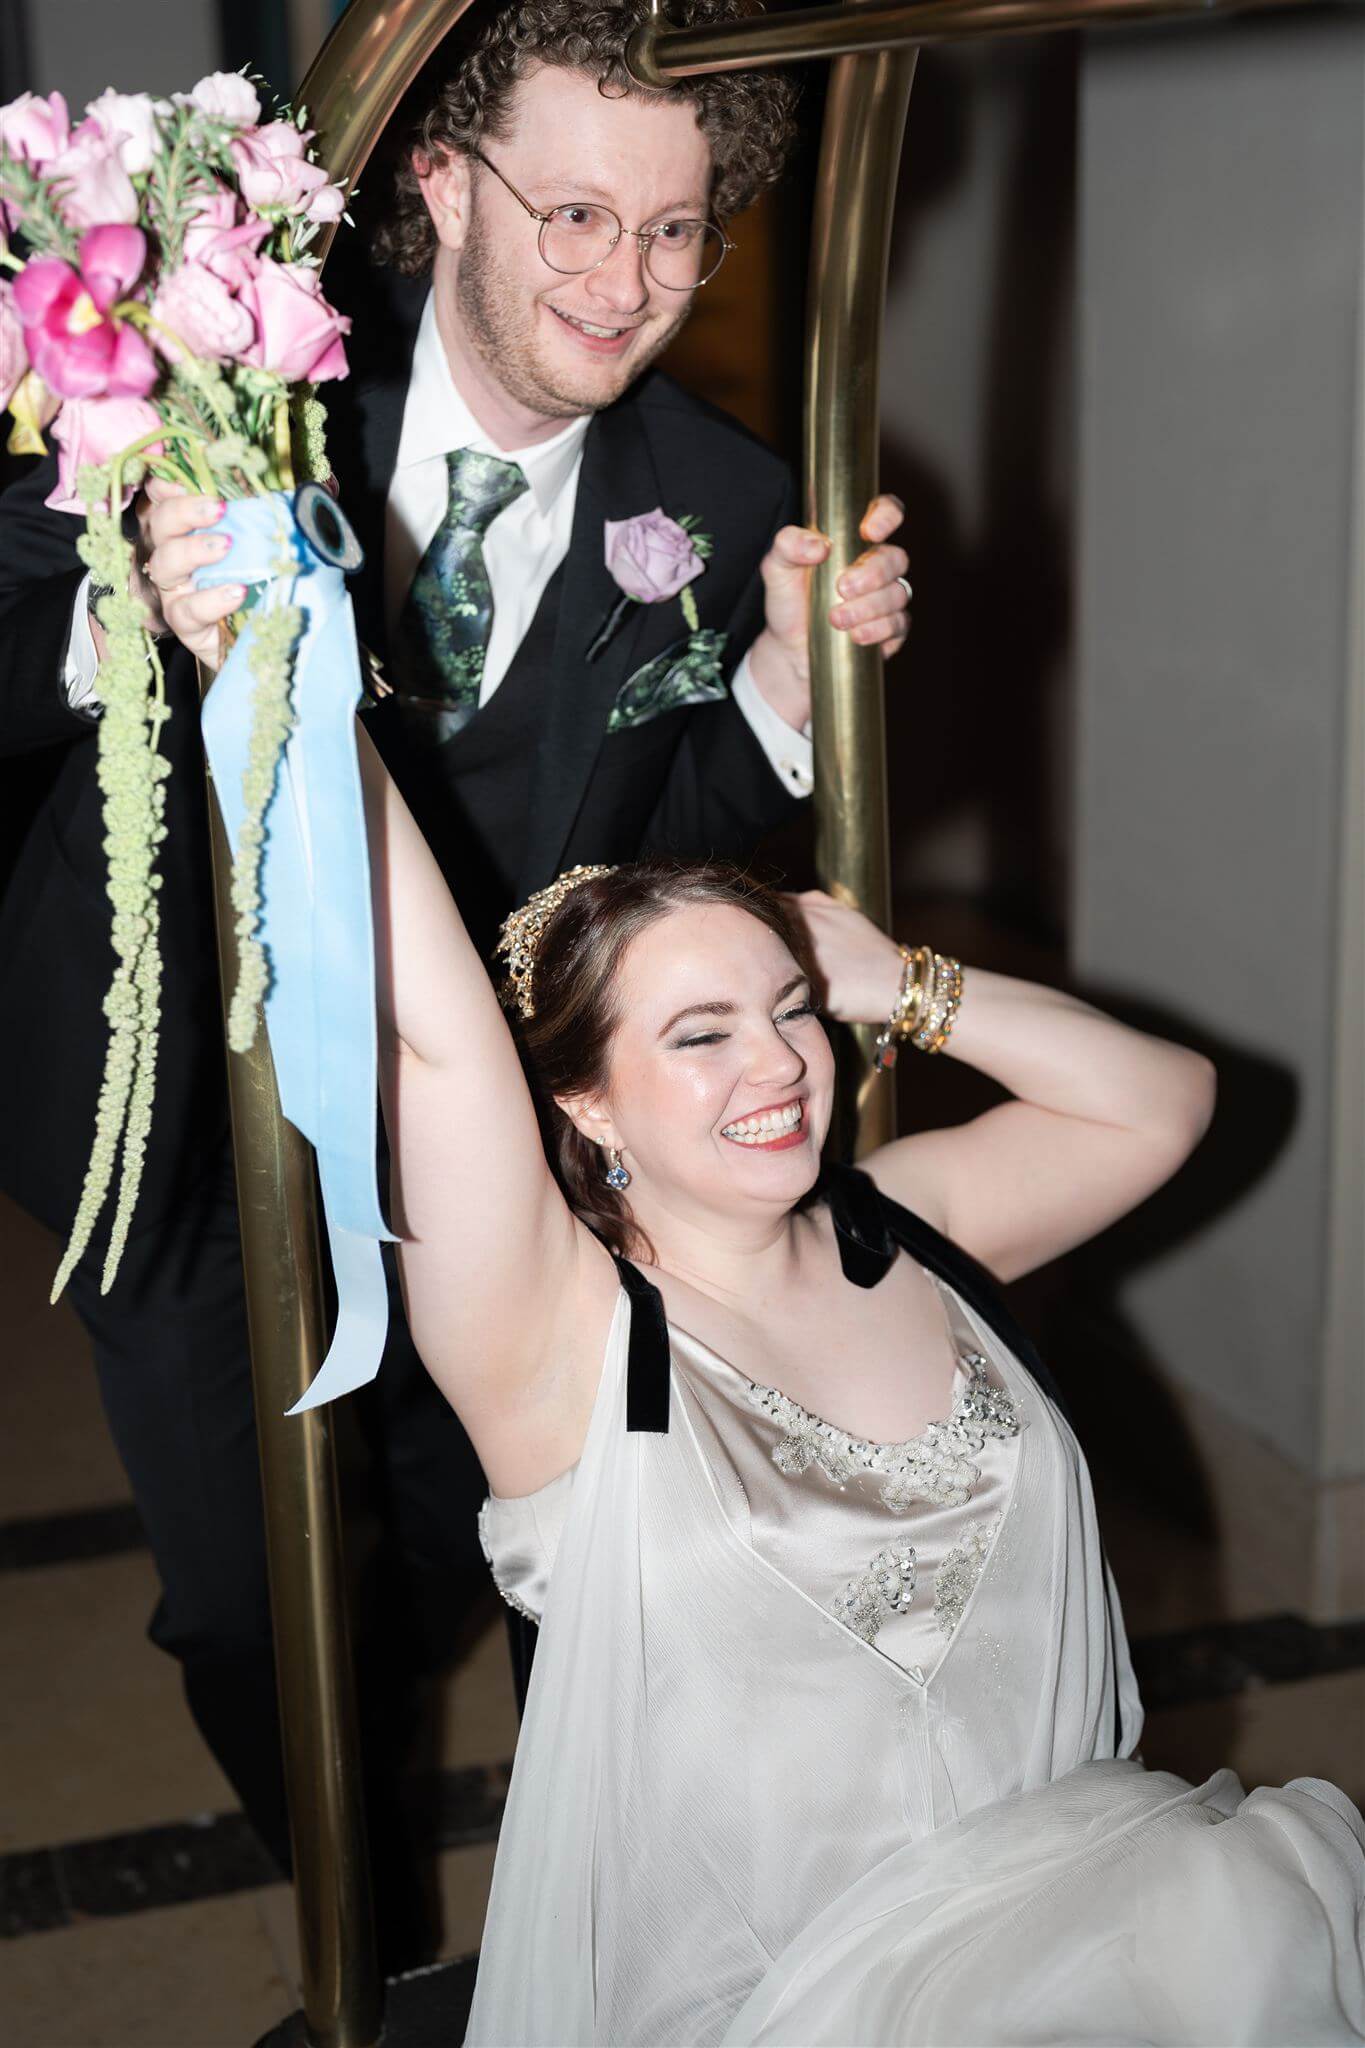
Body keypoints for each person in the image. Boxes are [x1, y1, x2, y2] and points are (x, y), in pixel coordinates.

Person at [0, 0, 909, 1945]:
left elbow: (661, 817)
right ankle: (364, 1905)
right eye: (573, 216)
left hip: (485, 1130)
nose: (625, 283)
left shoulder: (719, 496)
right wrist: (130, 612)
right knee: (249, 1597)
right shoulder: (229, 379)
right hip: (168, 1097)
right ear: (437, 179)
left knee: (505, 1542)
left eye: (674, 231)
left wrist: (771, 686)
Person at [283, 701, 1357, 2044]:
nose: (781, 1063)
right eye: (699, 1034)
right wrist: (279, 656)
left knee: (1241, 1935)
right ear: (582, 1101)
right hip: (779, 1995)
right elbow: (426, 1022)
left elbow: (1163, 1099)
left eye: (789, 1009)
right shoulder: (559, 1338)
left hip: (1088, 1904)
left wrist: (894, 978)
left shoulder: (914, 1224)